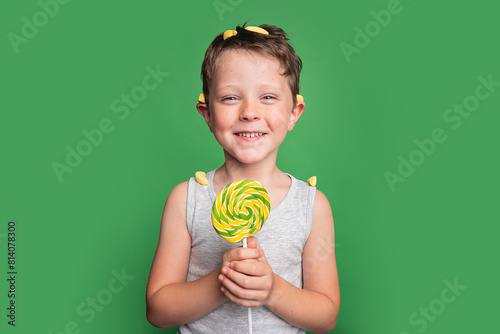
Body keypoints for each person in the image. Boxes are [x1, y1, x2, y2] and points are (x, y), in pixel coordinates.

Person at [146, 23, 340, 333]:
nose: (250, 112)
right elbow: (158, 310)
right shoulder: (187, 199)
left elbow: (326, 316)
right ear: (207, 113)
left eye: (267, 97)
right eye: (230, 98)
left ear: (294, 113)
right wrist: (222, 281)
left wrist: (273, 290)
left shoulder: (312, 205)